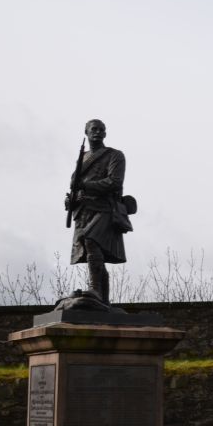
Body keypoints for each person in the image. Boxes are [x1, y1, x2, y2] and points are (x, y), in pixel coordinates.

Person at [67, 119, 128, 304]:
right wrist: (71, 200)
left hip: (105, 208)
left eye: (102, 130)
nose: (98, 132)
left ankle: (95, 289)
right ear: (86, 132)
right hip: (83, 211)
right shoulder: (82, 158)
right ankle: (103, 299)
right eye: (94, 129)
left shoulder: (115, 155)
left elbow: (114, 182)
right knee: (93, 252)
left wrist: (85, 186)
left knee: (91, 240)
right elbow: (74, 186)